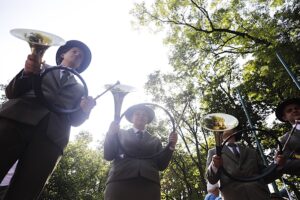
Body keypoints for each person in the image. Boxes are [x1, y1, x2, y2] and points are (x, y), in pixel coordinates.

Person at [0, 40, 96, 200]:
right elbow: (12, 92)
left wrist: (85, 111)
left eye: (81, 56)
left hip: (51, 138)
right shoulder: (40, 66)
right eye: (74, 51)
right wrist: (27, 73)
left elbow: (74, 120)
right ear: (62, 54)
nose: (78, 54)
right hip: (15, 121)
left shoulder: (81, 89)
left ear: (80, 65)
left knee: (27, 190)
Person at [103, 104, 178, 200]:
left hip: (149, 186)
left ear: (147, 120)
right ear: (131, 118)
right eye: (137, 114)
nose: (141, 116)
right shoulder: (119, 133)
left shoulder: (155, 140)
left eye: (144, 115)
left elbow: (161, 165)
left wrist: (171, 146)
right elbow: (108, 155)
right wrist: (110, 134)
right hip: (119, 182)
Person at [206, 128, 274, 200]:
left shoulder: (251, 151)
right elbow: (212, 180)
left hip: (260, 195)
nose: (226, 127)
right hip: (233, 196)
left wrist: (276, 164)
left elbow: (266, 176)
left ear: (235, 130)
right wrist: (214, 165)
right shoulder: (214, 152)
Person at [274, 97, 300, 177]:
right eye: (289, 110)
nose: (294, 110)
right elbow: (284, 165)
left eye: (297, 108)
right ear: (284, 118)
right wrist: (280, 162)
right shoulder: (284, 140)